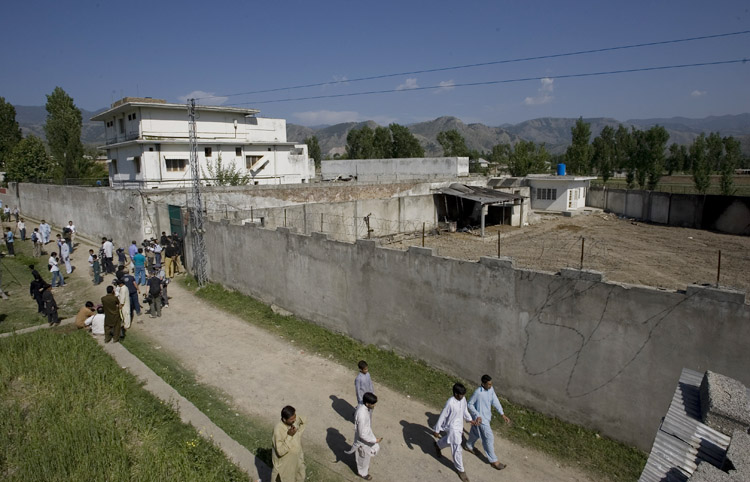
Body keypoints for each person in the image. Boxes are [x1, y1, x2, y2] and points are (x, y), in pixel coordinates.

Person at [433, 383, 480, 482]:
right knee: (457, 448)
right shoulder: (450, 403)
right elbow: (442, 416)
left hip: (459, 426)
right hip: (452, 427)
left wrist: (470, 420)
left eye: (463, 395)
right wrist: (437, 430)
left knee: (450, 440)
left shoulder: (462, 399)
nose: (463, 397)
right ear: (455, 393)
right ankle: (461, 470)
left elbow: (465, 410)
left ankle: (438, 445)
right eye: (461, 395)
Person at [465, 375, 511, 471]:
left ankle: (468, 446)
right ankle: (494, 461)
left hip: (487, 417)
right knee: (488, 438)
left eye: (491, 383)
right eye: (489, 384)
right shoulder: (478, 392)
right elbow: (470, 404)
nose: (491, 385)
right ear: (483, 383)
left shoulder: (491, 389)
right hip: (481, 420)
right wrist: (477, 415)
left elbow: (495, 400)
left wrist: (502, 414)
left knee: (475, 432)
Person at [346, 392, 382, 480]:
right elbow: (362, 434)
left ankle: (364, 468)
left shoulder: (362, 407)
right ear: (367, 403)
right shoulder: (362, 415)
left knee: (368, 454)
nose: (374, 405)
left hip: (368, 435)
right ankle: (362, 473)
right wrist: (374, 440)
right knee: (363, 456)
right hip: (363, 440)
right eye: (373, 404)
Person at [271, 405, 306, 482]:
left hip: (297, 462)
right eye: (291, 419)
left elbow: (303, 420)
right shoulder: (278, 430)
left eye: (295, 417)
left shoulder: (293, 422)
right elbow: (280, 452)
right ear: (284, 419)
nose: (294, 420)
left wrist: (299, 432)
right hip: (286, 467)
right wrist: (289, 436)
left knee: (300, 478)